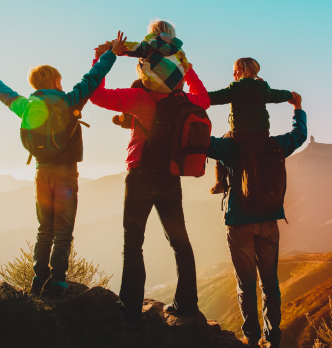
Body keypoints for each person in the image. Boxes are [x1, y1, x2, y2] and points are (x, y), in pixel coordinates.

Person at [0, 31, 128, 296]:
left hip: (41, 173)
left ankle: (38, 279)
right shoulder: (68, 101)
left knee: (45, 230)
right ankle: (58, 281)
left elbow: (6, 95)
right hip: (66, 173)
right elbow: (92, 79)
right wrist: (111, 54)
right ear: (56, 81)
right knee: (63, 231)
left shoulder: (27, 106)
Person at [89, 32, 209, 322]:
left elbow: (96, 95)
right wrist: (186, 67)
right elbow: (204, 100)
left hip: (140, 175)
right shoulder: (182, 98)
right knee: (181, 243)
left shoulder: (138, 97)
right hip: (170, 178)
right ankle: (187, 305)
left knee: (133, 242)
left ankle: (130, 308)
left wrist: (104, 58)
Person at [206, 93, 306, 348]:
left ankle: (250, 337)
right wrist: (298, 108)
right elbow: (299, 135)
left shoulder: (228, 145)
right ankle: (272, 339)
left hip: (239, 221)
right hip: (268, 221)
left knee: (246, 284)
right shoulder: (274, 143)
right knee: (270, 283)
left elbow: (199, 142)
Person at [207, 58, 293, 194]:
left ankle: (220, 182)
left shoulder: (235, 88)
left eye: (236, 70)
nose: (234, 74)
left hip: (239, 136)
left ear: (247, 71)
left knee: (223, 141)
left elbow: (215, 97)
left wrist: (195, 98)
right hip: (262, 134)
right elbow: (277, 95)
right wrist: (291, 95)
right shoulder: (264, 88)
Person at [121, 19, 189, 94]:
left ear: (153, 33)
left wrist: (111, 46)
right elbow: (186, 68)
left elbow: (129, 47)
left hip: (151, 86)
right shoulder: (179, 50)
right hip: (175, 89)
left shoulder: (148, 46)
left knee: (136, 84)